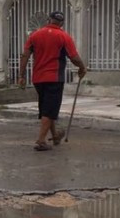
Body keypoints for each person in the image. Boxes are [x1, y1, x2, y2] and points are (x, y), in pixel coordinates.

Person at [16, 11, 87, 151]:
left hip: (37, 78)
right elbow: (74, 57)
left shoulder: (34, 35)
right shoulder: (63, 36)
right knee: (49, 110)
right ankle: (41, 141)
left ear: (49, 20)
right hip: (54, 78)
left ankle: (55, 135)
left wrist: (21, 75)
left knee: (47, 109)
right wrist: (82, 68)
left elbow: (25, 55)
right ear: (61, 23)